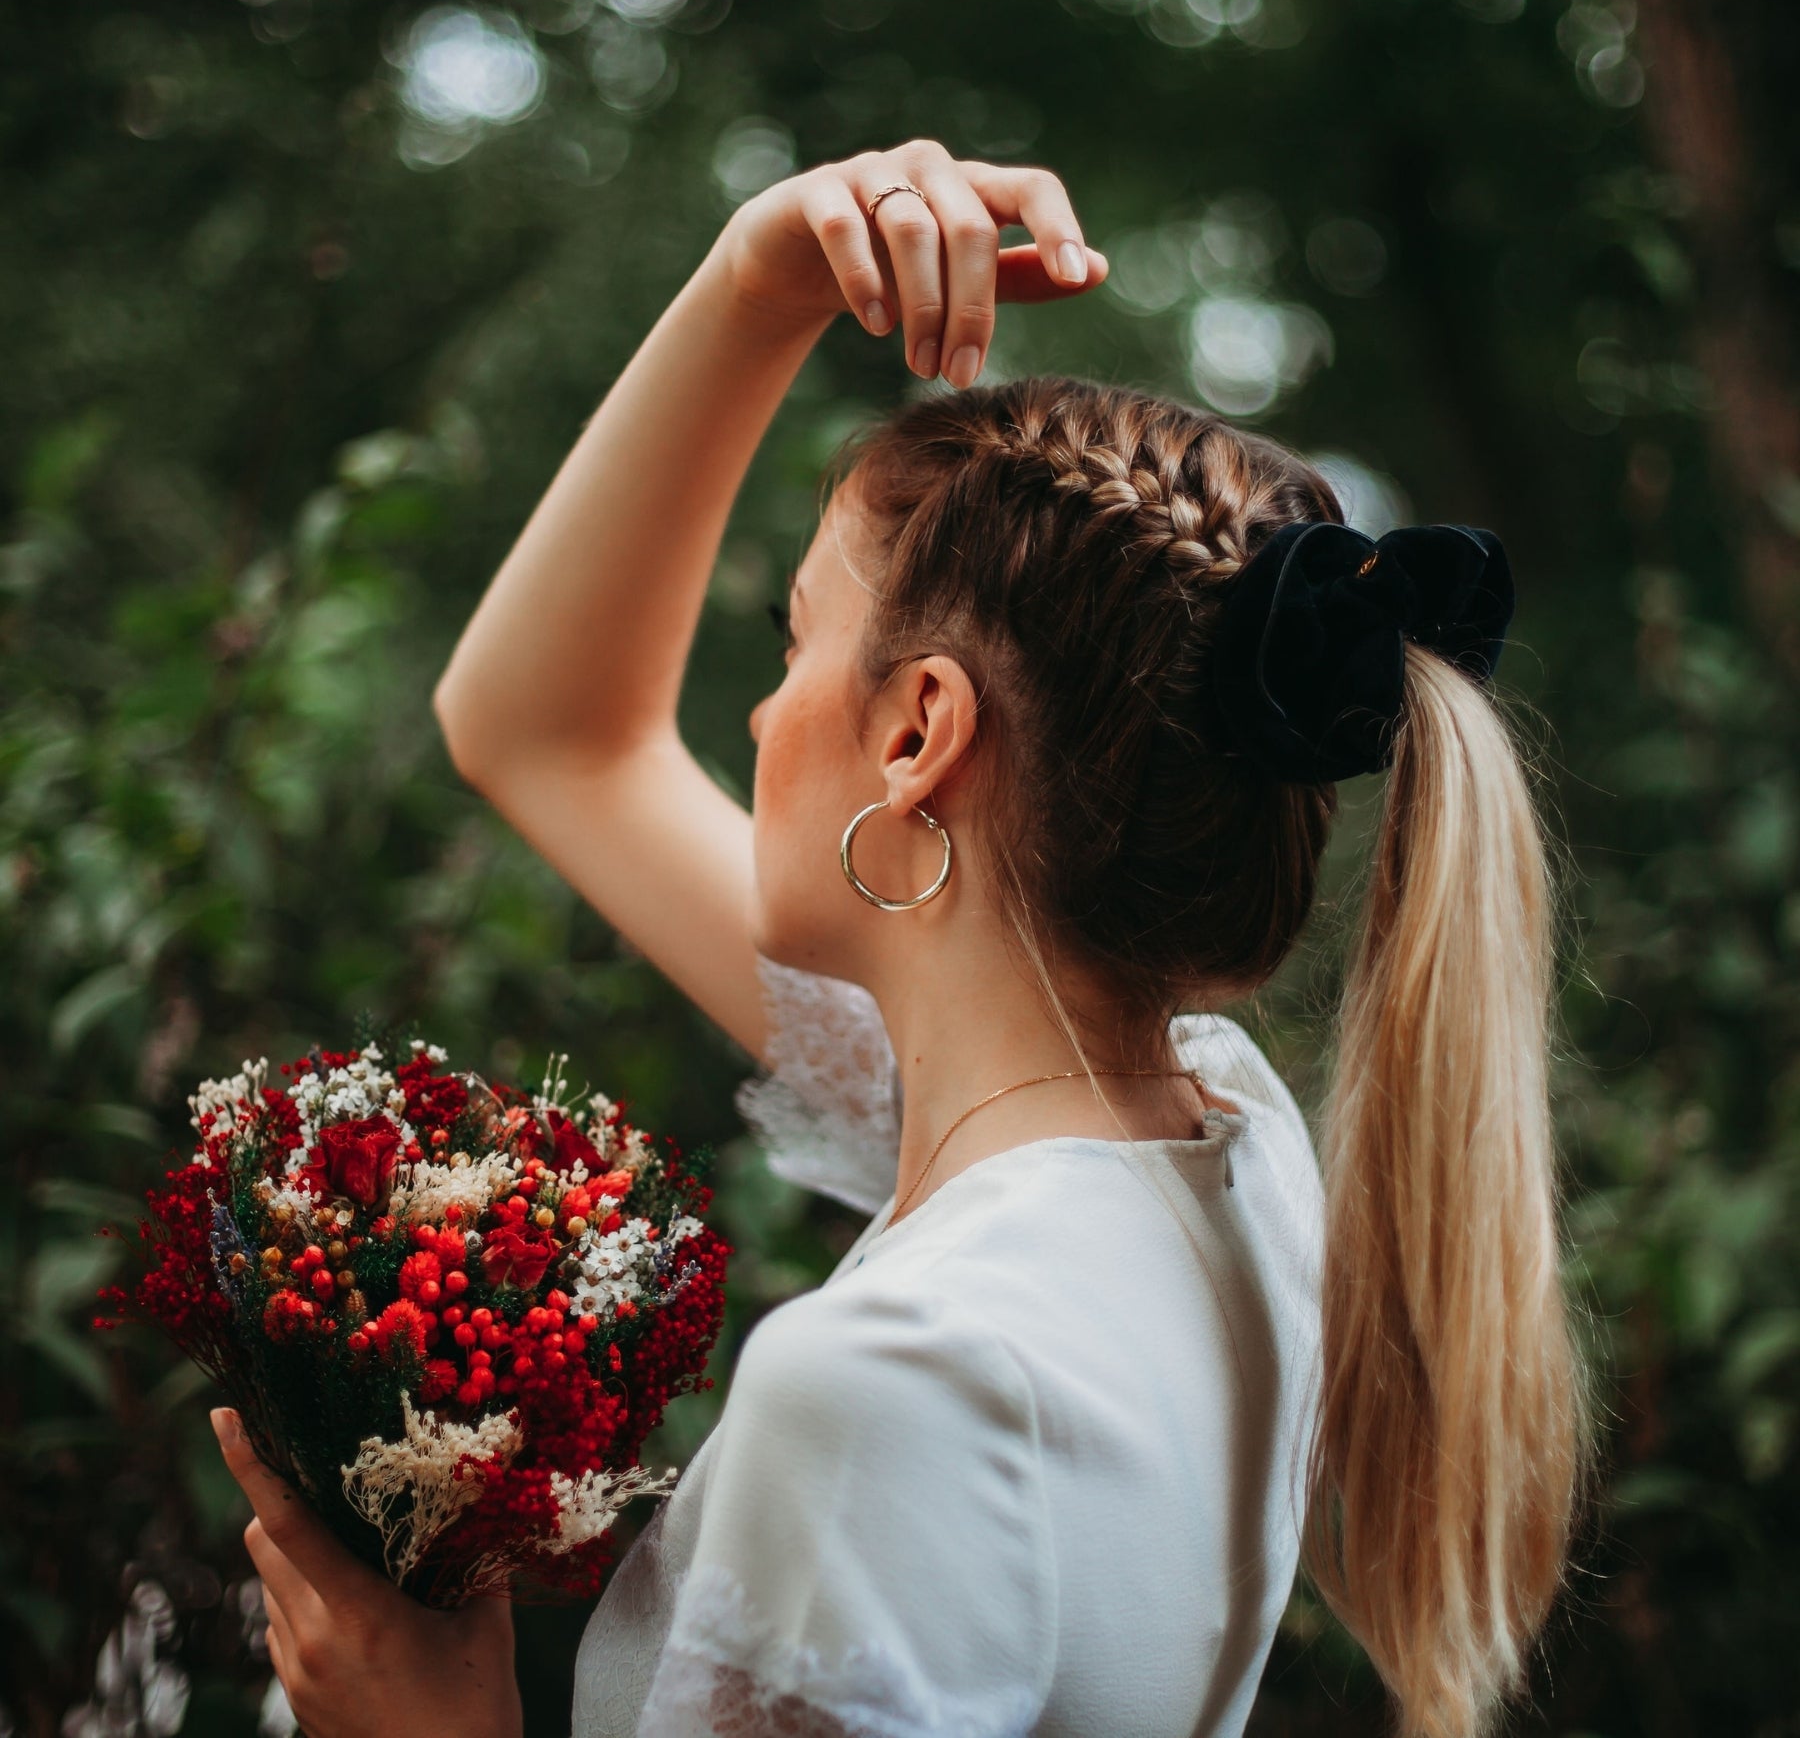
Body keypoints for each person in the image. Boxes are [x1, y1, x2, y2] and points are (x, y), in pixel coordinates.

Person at [213, 138, 1592, 1738]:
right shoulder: (1203, 1142)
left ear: (919, 731)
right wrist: (755, 280)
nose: (760, 705)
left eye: (796, 638)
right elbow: (543, 730)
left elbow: (552, 736)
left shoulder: (903, 1377)